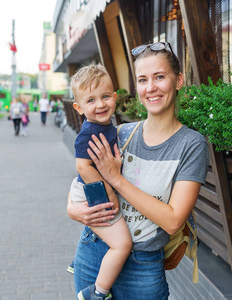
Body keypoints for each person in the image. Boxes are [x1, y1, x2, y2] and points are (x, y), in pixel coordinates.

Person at [67, 42, 209, 299]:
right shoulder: (121, 133)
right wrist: (73, 210)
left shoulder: (191, 144)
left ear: (178, 81)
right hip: (93, 252)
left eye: (160, 77)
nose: (151, 87)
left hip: (142, 267)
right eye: (143, 79)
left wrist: (116, 180)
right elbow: (82, 177)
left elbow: (173, 220)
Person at [70, 64, 132, 300]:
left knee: (110, 233)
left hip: (91, 187)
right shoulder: (89, 132)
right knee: (122, 244)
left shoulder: (105, 127)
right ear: (79, 107)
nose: (101, 104)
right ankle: (97, 292)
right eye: (91, 100)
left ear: (114, 97)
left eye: (105, 96)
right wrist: (111, 191)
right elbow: (82, 167)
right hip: (93, 189)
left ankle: (80, 261)